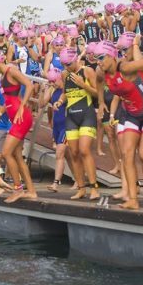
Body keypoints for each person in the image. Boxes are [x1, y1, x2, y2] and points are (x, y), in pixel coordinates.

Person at [95, 40, 143, 210]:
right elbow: (99, 84)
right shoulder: (102, 73)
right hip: (131, 114)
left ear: (111, 56)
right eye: (95, 59)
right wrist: (101, 102)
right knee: (127, 155)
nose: (98, 62)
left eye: (101, 58)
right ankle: (132, 199)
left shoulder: (126, 68)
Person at [0, 50, 38, 203]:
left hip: (21, 117)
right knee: (16, 156)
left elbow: (29, 85)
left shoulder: (11, 70)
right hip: (14, 116)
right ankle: (32, 191)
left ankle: (18, 189)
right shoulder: (3, 76)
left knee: (6, 152)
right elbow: (8, 100)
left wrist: (22, 106)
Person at [54, 47, 100, 200]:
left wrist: (83, 84)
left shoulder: (87, 71)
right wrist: (60, 101)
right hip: (71, 116)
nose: (66, 67)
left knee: (85, 150)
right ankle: (81, 188)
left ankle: (94, 188)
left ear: (75, 60)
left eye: (68, 64)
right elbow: (65, 92)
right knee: (73, 153)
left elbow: (98, 93)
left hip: (87, 114)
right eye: (64, 65)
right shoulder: (65, 74)